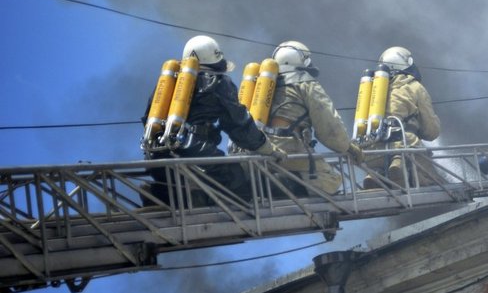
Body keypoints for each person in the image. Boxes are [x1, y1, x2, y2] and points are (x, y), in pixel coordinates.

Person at [142, 35, 285, 205]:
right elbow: (238, 123)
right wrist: (267, 147)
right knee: (235, 180)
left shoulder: (169, 83)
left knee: (169, 182)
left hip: (156, 153)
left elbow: (148, 118)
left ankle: (159, 196)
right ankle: (202, 201)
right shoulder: (218, 82)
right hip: (194, 150)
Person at [243, 40, 364, 195]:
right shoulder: (305, 83)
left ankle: (271, 183)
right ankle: (284, 184)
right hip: (289, 151)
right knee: (331, 180)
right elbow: (330, 128)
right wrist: (348, 147)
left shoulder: (262, 85)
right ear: (301, 61)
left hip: (256, 149)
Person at [363, 46, 441, 188]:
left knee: (383, 168)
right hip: (405, 146)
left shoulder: (373, 90)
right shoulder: (414, 87)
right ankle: (398, 165)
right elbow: (431, 131)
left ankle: (375, 174)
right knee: (435, 181)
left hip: (372, 151)